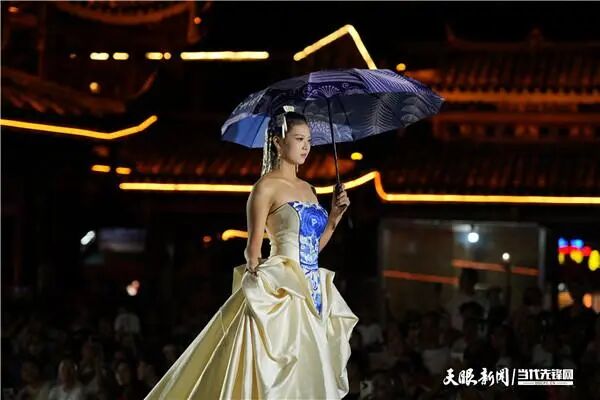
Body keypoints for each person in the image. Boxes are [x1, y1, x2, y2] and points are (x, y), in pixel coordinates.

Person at [145, 106, 359, 399]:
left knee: (309, 374)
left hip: (314, 293)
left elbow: (312, 249)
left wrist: (333, 219)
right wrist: (261, 287)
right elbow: (253, 248)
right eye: (299, 139)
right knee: (276, 374)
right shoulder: (265, 187)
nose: (306, 147)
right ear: (278, 143)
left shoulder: (310, 189)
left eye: (309, 140)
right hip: (282, 290)